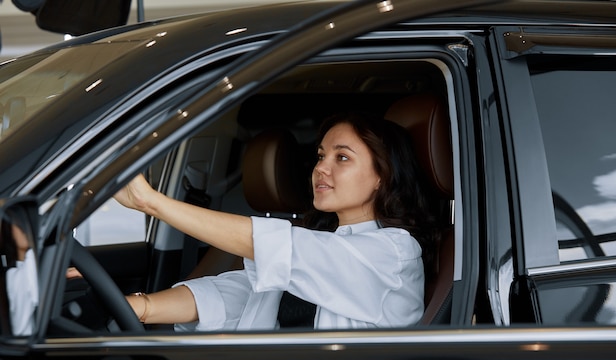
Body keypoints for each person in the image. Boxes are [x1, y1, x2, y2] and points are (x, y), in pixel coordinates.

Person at [115, 112, 437, 330]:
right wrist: (140, 308)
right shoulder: (323, 244)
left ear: (382, 176)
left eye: (342, 157)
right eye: (321, 156)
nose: (321, 168)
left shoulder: (392, 252)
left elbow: (273, 246)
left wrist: (152, 202)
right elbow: (234, 294)